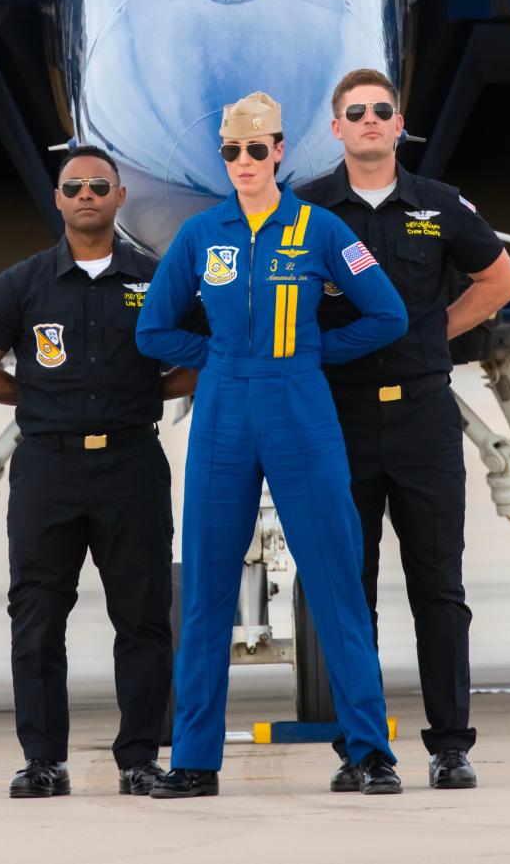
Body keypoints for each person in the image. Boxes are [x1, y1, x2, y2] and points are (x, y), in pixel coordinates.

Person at [135, 91, 409, 799]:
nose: (245, 161)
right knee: (206, 590)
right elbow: (153, 330)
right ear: (222, 158)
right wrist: (221, 353)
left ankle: (370, 753)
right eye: (232, 151)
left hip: (300, 404)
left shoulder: (319, 231)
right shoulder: (201, 235)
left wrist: (315, 349)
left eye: (258, 149)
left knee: (335, 581)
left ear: (280, 151)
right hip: (224, 408)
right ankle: (195, 760)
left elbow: (388, 313)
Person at [0, 144, 199, 799]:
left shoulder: (157, 279)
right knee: (36, 617)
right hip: (47, 468)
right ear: (58, 200)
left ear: (121, 197)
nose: (86, 193)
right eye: (73, 186)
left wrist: (144, 399)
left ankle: (140, 758)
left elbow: (202, 357)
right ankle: (43, 761)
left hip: (130, 465)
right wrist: (34, 400)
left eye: (99, 184)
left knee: (143, 617)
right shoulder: (22, 284)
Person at [297, 67, 510, 791]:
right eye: (354, 111)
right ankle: (361, 750)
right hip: (341, 418)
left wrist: (432, 332)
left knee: (439, 585)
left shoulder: (440, 204)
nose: (368, 120)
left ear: (399, 125)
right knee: (347, 587)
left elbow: (500, 281)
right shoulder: (306, 213)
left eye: (380, 110)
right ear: (335, 128)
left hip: (423, 415)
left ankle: (450, 744)